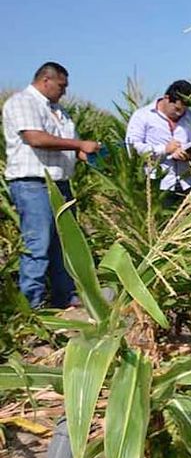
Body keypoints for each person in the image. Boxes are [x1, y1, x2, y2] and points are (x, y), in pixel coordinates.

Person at [2, 62, 100, 309]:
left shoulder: (59, 111)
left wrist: (86, 154)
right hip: (34, 185)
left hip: (60, 184)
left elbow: (68, 146)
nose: (64, 91)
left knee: (64, 243)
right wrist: (79, 145)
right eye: (61, 86)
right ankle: (31, 305)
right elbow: (35, 138)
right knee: (38, 244)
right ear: (46, 80)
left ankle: (64, 297)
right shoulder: (23, 102)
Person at [124, 79, 191, 203]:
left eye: (184, 109)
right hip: (157, 185)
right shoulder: (143, 116)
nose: (180, 113)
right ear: (166, 98)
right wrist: (164, 149)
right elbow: (132, 147)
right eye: (177, 108)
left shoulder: (189, 116)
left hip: (186, 183)